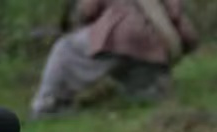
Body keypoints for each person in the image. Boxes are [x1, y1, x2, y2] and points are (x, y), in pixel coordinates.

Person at [30, 0, 198, 119]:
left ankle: (48, 103)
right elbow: (176, 13)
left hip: (120, 33)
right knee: (134, 72)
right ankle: (150, 89)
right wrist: (186, 42)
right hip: (156, 46)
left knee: (65, 48)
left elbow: (88, 9)